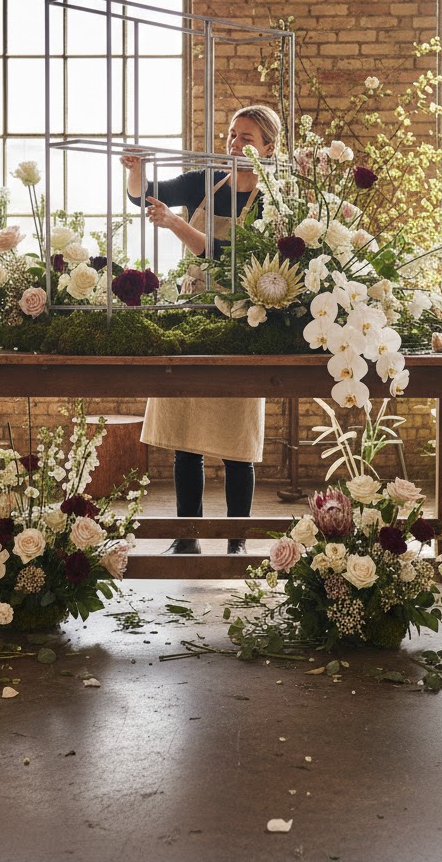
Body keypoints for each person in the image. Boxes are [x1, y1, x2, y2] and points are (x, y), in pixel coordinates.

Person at [120, 104, 282, 554]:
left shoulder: (275, 199)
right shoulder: (207, 179)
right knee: (185, 436)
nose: (234, 144)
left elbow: (232, 258)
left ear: (269, 148)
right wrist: (135, 171)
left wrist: (174, 224)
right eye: (232, 135)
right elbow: (144, 194)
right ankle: (186, 538)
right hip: (193, 316)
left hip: (243, 321)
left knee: (237, 440)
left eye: (246, 138)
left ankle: (237, 542)